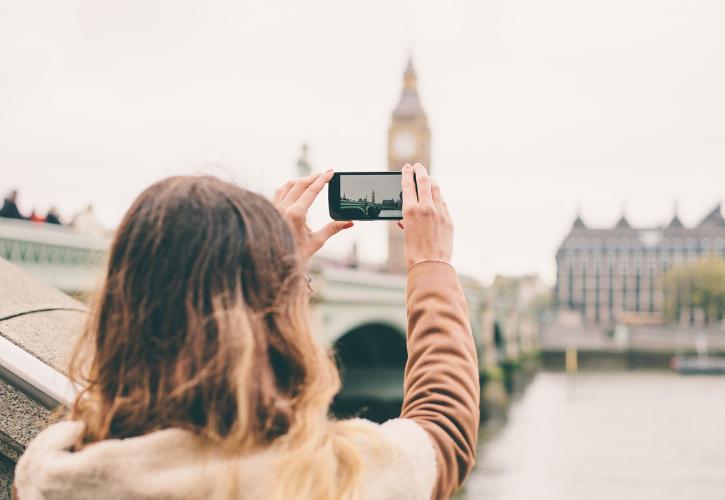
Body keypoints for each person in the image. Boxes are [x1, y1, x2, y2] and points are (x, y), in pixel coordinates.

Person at [14, 164, 479, 500]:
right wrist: (431, 265)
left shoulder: (49, 472)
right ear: (274, 331)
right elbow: (442, 426)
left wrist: (277, 269)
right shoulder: (322, 478)